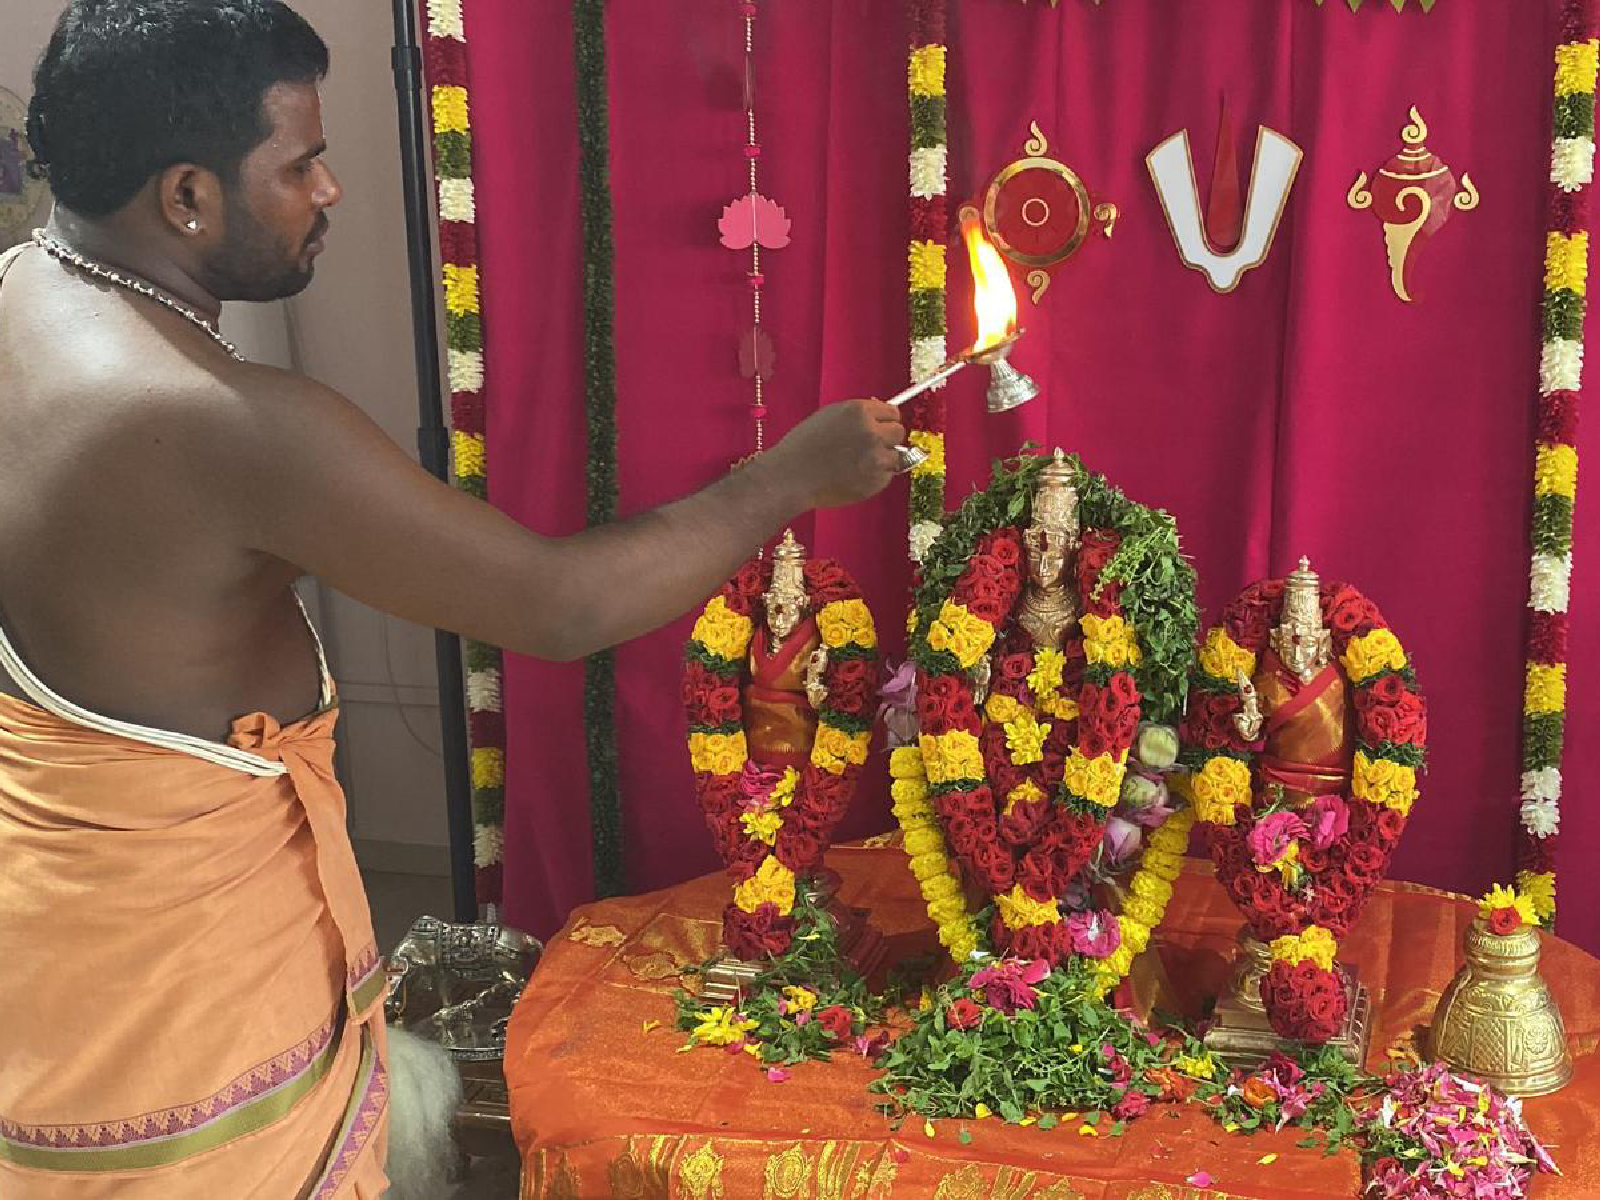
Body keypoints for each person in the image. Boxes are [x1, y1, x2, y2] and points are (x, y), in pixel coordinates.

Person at [0, 1, 906, 1194]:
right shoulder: (222, 424)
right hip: (182, 1020)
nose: (328, 190)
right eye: (301, 163)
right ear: (185, 197)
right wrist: (787, 478)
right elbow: (557, 607)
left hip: (53, 966)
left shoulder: (23, 296)